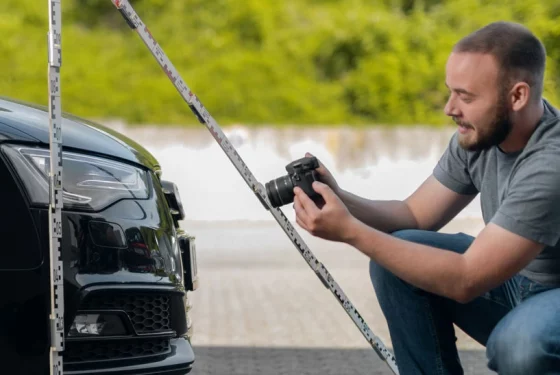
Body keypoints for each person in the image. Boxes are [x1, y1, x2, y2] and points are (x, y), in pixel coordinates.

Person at [292, 21, 560, 375]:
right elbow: (414, 214)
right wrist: (339, 196)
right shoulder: (480, 136)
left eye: (466, 96)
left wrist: (351, 232)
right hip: (513, 284)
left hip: (551, 295)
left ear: (517, 97)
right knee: (398, 260)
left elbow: (467, 279)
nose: (450, 108)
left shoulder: (550, 163)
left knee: (520, 347)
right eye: (450, 92)